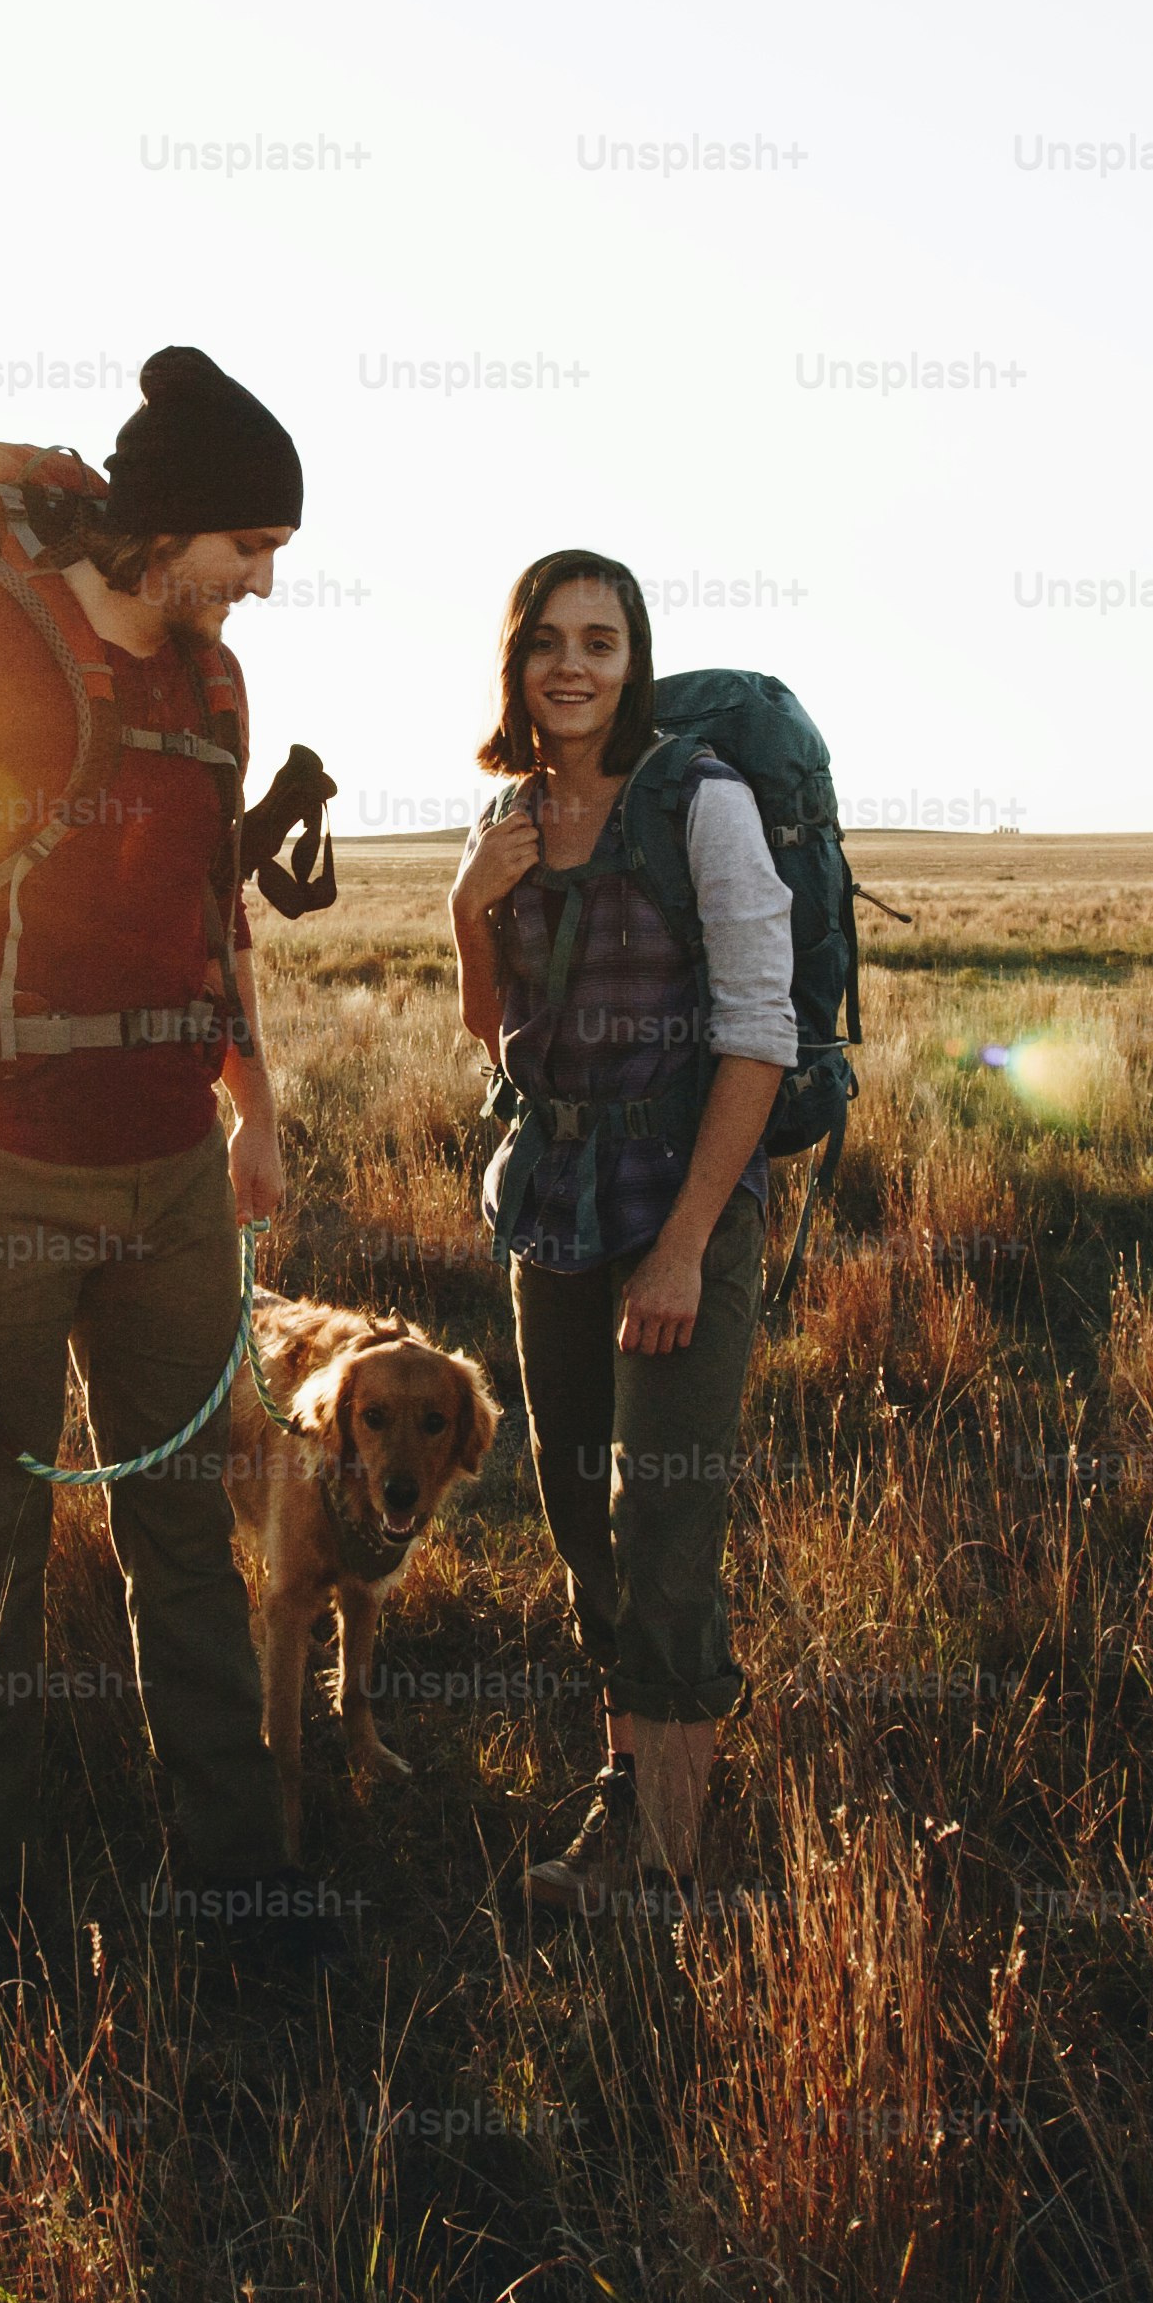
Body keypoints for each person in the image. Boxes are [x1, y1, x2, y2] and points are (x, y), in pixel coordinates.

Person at [0, 346, 334, 1976]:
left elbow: (209, 910)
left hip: (174, 1170)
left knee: (184, 1526)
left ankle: (239, 1894)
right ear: (168, 526)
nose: (259, 586)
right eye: (248, 552)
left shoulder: (215, 687)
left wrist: (251, 1105)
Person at [449, 551, 792, 1914]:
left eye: (602, 638)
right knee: (582, 1518)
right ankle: (623, 1802)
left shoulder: (697, 804)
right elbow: (493, 1030)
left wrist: (686, 1244)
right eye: (548, 640)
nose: (573, 664)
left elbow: (758, 1032)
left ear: (635, 659)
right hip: (556, 1202)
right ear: (516, 661)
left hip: (678, 1198)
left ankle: (667, 1857)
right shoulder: (511, 813)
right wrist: (466, 899)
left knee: (665, 1520)